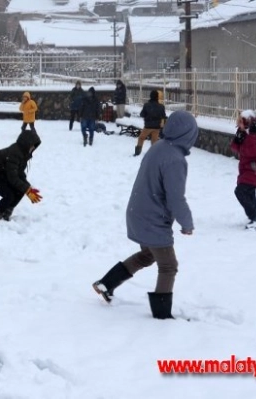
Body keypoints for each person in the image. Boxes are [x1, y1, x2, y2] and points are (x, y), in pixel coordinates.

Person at [91, 110, 198, 320]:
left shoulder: (158, 147)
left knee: (148, 254)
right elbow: (175, 197)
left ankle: (106, 283)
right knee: (168, 266)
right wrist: (186, 223)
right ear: (188, 134)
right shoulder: (175, 159)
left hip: (138, 212)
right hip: (153, 218)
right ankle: (161, 316)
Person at [0, 129, 42, 222]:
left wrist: (28, 189)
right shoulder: (15, 153)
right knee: (9, 195)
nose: (33, 148)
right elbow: (13, 177)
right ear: (26, 143)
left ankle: (6, 212)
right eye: (32, 146)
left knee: (20, 190)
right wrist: (27, 190)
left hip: (0, 173)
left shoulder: (23, 154)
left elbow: (19, 174)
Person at [231, 109, 256, 230]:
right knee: (249, 192)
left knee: (240, 191)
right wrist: (238, 138)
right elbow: (235, 148)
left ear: (248, 122)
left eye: (240, 123)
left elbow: (251, 152)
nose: (238, 125)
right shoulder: (246, 132)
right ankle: (254, 218)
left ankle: (254, 218)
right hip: (249, 168)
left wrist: (250, 137)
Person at [136, 90, 167, 156]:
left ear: (150, 96)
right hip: (156, 127)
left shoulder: (146, 105)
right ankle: (154, 153)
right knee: (154, 141)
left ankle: (138, 151)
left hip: (148, 126)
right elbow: (163, 116)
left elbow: (142, 114)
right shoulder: (161, 106)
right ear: (157, 97)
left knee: (141, 138)